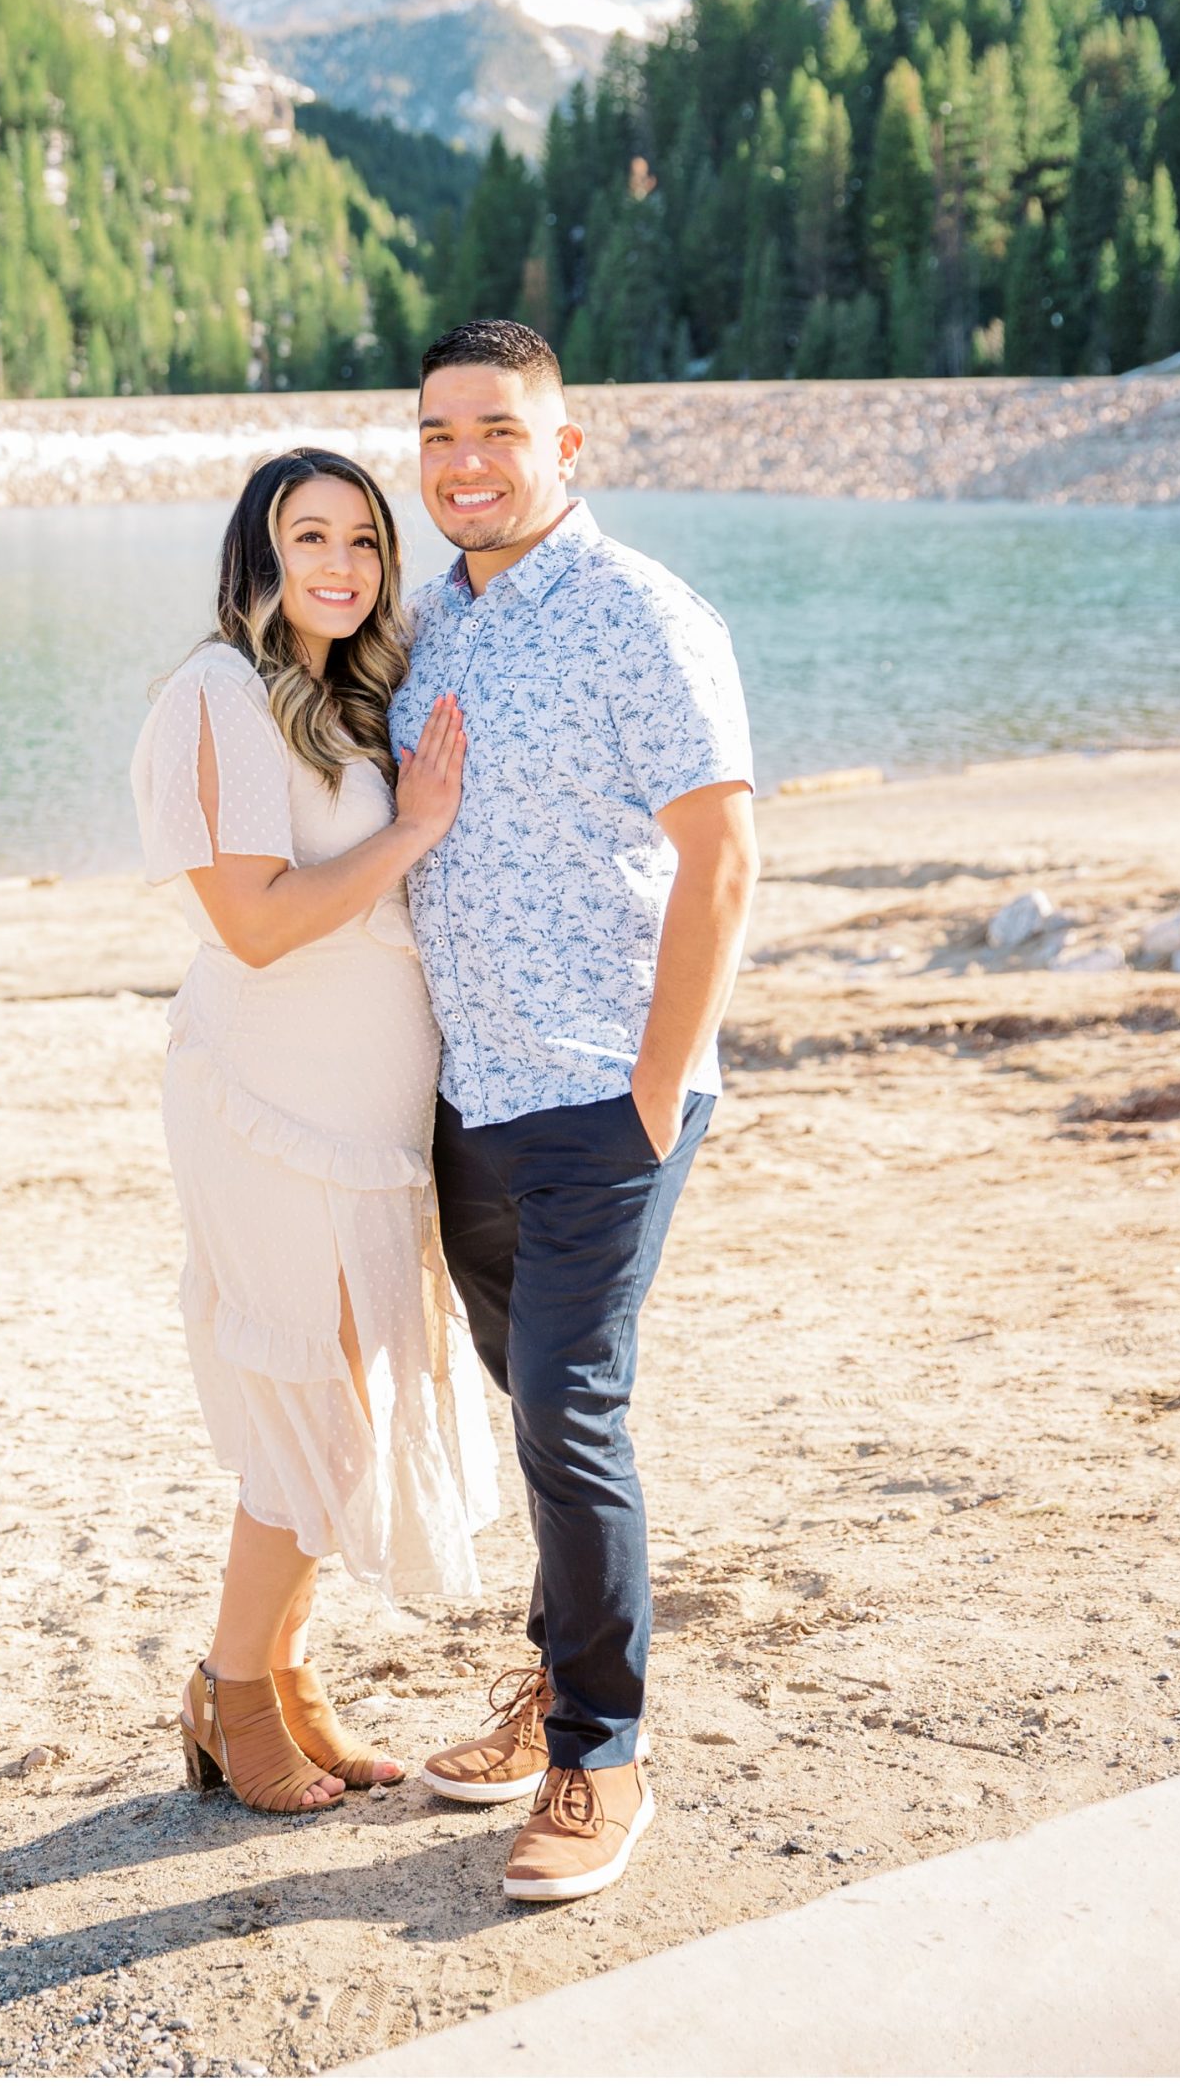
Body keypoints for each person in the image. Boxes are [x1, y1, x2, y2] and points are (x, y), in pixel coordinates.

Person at [391, 319, 760, 1903]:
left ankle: (600, 1753)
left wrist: (659, 1086)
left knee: (569, 1406)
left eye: (497, 432)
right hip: (466, 1093)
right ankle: (553, 1682)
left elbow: (723, 858)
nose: (465, 462)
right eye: (438, 436)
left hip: (605, 1096)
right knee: (536, 1413)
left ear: (567, 445)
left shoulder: (641, 616)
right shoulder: (427, 622)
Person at [130, 447, 499, 1817]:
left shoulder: (345, 698)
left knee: (340, 1397)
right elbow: (261, 924)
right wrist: (412, 835)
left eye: (362, 541)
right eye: (310, 536)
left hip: (363, 1115)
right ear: (259, 553)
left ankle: (279, 1682)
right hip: (269, 1100)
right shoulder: (216, 696)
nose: (341, 564)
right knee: (311, 1399)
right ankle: (235, 1690)